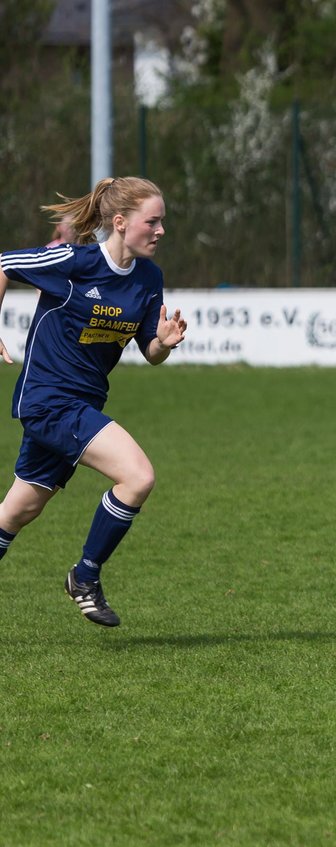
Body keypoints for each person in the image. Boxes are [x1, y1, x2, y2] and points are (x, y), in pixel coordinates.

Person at [0, 176, 187, 627]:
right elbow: (3, 263)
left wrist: (161, 342)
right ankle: (84, 576)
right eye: (153, 221)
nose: (161, 231)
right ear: (120, 222)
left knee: (19, 510)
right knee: (138, 476)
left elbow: (150, 353)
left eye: (163, 222)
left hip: (82, 404)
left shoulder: (148, 278)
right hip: (48, 401)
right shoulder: (73, 260)